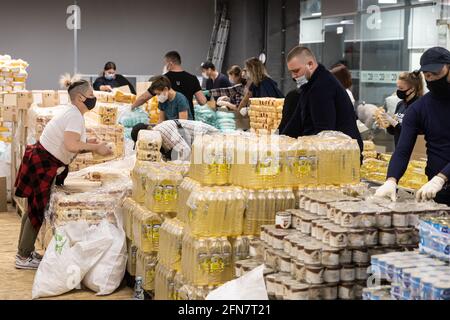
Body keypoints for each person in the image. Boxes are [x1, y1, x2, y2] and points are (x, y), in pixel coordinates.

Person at [14, 75, 112, 270]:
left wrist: (90, 144)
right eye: (91, 94)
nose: (94, 97)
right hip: (43, 163)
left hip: (41, 160)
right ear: (80, 98)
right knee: (37, 210)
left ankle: (24, 251)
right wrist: (96, 148)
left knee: (33, 208)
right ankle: (23, 257)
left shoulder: (73, 113)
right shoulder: (74, 115)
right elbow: (71, 144)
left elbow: (71, 143)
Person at [375, 47, 450, 204]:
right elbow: (402, 150)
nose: (432, 78)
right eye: (428, 75)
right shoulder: (419, 108)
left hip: (439, 180)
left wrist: (442, 177)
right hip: (436, 189)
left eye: (437, 73)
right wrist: (391, 179)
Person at [280, 46, 363, 153]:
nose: (293, 76)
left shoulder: (321, 87)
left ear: (310, 64)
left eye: (296, 71)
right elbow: (296, 121)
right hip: (336, 151)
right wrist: (279, 142)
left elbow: (323, 133)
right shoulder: (309, 85)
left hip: (342, 155)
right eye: (291, 72)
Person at [131, 51, 207, 118]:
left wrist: (131, 107)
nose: (165, 66)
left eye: (165, 63)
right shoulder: (192, 78)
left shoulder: (163, 80)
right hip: (188, 121)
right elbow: (202, 101)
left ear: (170, 63)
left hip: (171, 121)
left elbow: (144, 97)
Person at [374, 71, 425, 147]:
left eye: (401, 88)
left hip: (414, 152)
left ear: (412, 89)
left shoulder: (420, 106)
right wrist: (386, 123)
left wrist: (393, 122)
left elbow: (413, 132)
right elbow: (394, 132)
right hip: (399, 149)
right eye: (398, 87)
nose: (398, 91)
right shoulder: (400, 104)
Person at [131, 120, 218, 161]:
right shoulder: (157, 141)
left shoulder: (163, 131)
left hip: (209, 137)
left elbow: (185, 151)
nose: (146, 147)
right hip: (196, 146)